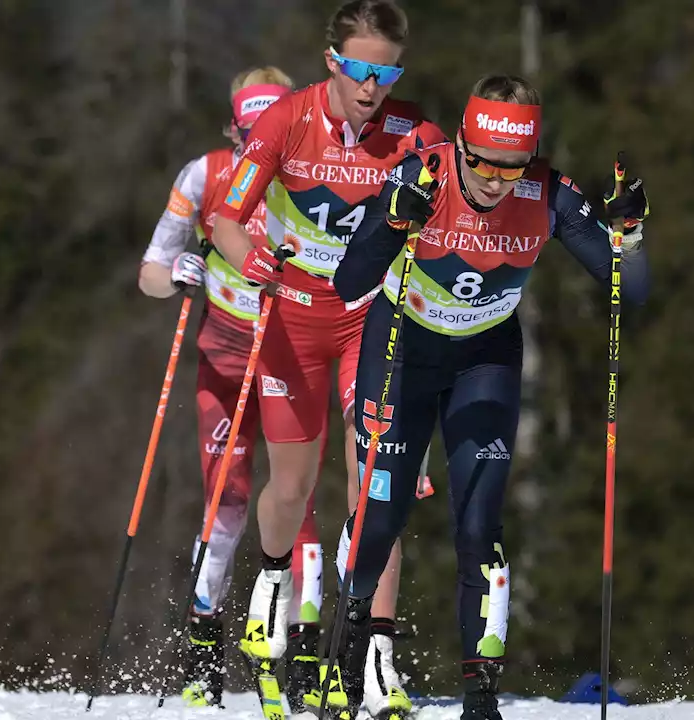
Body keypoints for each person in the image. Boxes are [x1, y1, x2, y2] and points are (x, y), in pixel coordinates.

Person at [330, 74, 652, 719]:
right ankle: (345, 657)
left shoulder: (549, 194)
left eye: (511, 168)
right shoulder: (420, 174)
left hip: (485, 357)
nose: (494, 182)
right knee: (381, 514)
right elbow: (349, 282)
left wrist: (631, 239)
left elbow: (631, 291)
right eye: (480, 163)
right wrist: (396, 222)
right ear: (460, 143)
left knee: (479, 521)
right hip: (402, 350)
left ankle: (481, 694)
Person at [211, 1, 446, 717]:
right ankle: (275, 575)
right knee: (290, 487)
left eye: (388, 71)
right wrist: (251, 263)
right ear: (332, 62)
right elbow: (226, 218)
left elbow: (458, 218)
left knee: (375, 480)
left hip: (370, 320)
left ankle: (373, 651)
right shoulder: (288, 121)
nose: (373, 86)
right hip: (294, 317)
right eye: (361, 69)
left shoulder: (417, 135)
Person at [138, 68, 326, 709]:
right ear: (235, 128)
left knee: (294, 500)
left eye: (268, 134)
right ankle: (202, 652)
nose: (257, 148)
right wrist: (179, 271)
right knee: (229, 502)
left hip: (290, 356)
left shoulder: (311, 179)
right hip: (224, 358)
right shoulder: (206, 175)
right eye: (248, 132)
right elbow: (151, 274)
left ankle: (303, 650)